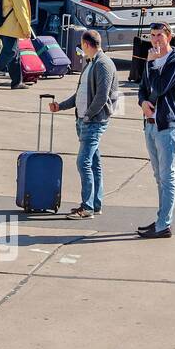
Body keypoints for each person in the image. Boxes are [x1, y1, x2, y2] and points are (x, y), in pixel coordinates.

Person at [49, 30, 119, 219]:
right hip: (86, 120)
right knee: (94, 162)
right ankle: (95, 204)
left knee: (83, 162)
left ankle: (87, 207)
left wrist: (88, 116)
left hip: (93, 121)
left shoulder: (103, 64)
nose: (81, 49)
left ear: (87, 44)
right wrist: (61, 106)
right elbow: (80, 94)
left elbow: (102, 96)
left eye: (82, 45)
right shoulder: (91, 64)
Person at [137, 21, 175, 239]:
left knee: (167, 177)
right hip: (150, 124)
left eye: (160, 35)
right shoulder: (152, 59)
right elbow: (143, 87)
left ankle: (164, 224)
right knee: (158, 176)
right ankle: (160, 219)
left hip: (167, 126)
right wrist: (142, 102)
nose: (156, 39)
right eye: (152, 35)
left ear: (169, 36)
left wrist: (153, 63)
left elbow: (159, 87)